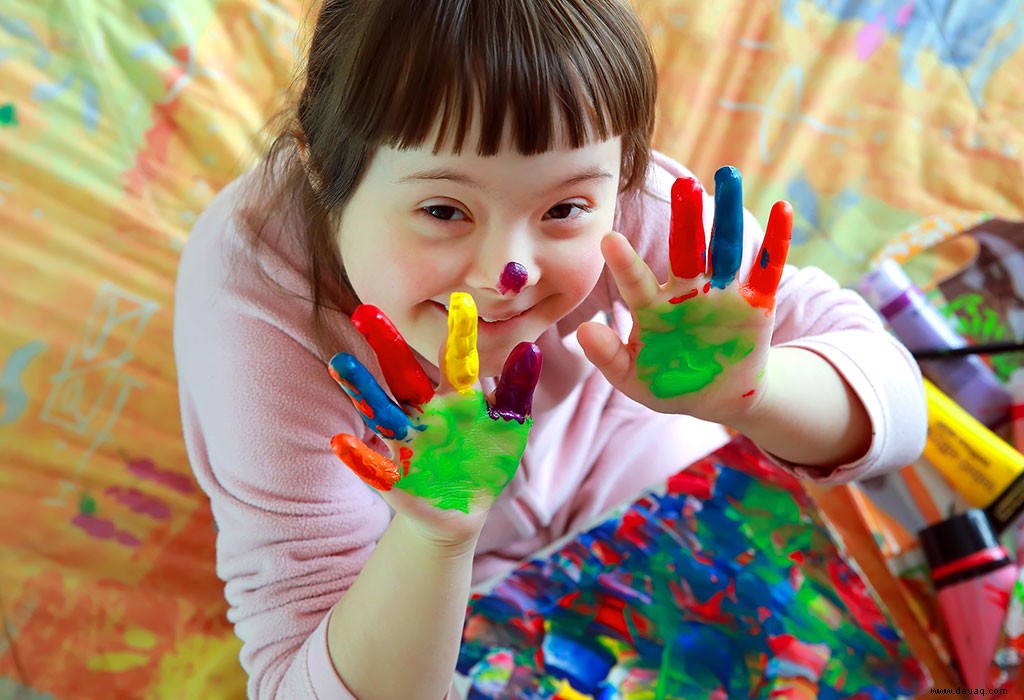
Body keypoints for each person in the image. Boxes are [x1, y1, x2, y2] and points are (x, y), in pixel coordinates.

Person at [172, 1, 927, 698]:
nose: (510, 273)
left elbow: (899, 408)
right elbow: (295, 679)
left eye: (564, 207)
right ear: (319, 163)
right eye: (444, 209)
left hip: (628, 459)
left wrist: (752, 392)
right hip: (410, 576)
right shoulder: (256, 317)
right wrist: (434, 536)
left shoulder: (637, 214)